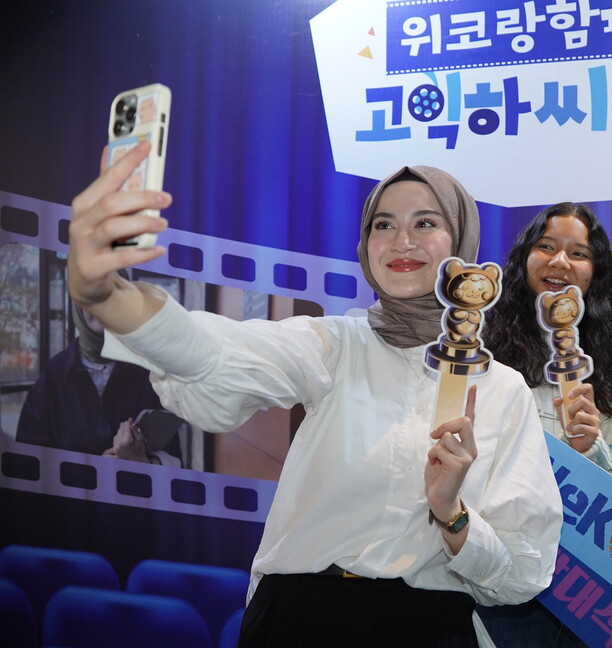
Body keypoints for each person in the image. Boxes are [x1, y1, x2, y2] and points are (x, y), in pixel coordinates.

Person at [66, 139, 563, 647]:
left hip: (428, 626)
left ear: (462, 245)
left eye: (425, 223)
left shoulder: (502, 390)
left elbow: (523, 572)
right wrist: (107, 296)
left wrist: (451, 513)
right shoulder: (337, 344)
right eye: (383, 224)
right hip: (299, 617)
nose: (401, 241)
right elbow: (216, 353)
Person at [477, 202, 612, 646]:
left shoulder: (608, 359)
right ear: (524, 258)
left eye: (578, 253)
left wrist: (593, 449)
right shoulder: (478, 349)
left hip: (585, 588)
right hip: (497, 575)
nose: (559, 262)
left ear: (595, 272)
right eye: (546, 247)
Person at [17, 303, 182, 467]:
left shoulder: (149, 372)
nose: (103, 303)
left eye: (113, 296)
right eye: (93, 295)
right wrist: (92, 471)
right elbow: (27, 464)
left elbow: (175, 459)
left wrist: (142, 462)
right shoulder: (53, 376)